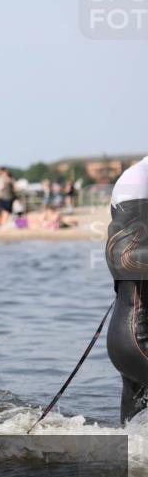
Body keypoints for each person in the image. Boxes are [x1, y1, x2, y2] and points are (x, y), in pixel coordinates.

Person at [105, 156, 148, 424]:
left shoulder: (133, 181)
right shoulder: (137, 183)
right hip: (138, 342)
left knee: (134, 447)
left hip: (128, 342)